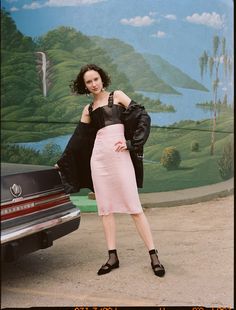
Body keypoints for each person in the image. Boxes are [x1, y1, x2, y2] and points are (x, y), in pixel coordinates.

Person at [56, 64, 165, 277]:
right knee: (105, 210)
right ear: (84, 85)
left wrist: (132, 143)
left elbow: (143, 116)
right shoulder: (87, 110)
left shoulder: (118, 96)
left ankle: (154, 256)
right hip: (99, 161)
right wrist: (62, 162)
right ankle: (112, 256)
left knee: (134, 207)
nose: (93, 84)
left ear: (102, 78)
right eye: (88, 81)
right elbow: (77, 141)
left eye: (96, 79)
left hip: (120, 158)